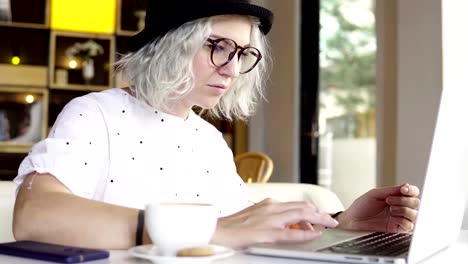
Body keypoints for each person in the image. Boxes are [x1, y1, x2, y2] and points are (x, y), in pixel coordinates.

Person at [12, 0, 420, 250]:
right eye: (218, 47)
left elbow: (243, 228)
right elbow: (35, 217)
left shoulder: (208, 139)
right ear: (171, 44)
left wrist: (342, 224)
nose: (231, 68)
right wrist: (206, 228)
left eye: (242, 53)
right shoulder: (94, 113)